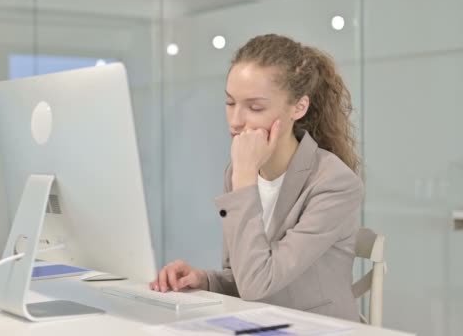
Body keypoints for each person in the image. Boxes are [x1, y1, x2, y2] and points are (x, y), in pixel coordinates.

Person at [150, 34, 364, 321]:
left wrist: (245, 180)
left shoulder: (333, 182)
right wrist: (205, 280)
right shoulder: (239, 171)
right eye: (230, 103)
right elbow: (244, 272)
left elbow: (257, 283)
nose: (236, 120)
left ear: (298, 107)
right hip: (258, 320)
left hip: (311, 327)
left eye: (255, 107)